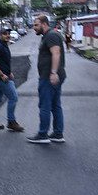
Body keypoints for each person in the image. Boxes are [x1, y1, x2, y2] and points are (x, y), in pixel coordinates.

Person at [27, 14, 66, 144]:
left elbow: (56, 53)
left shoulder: (51, 35)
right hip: (51, 76)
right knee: (55, 105)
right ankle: (58, 133)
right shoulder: (48, 36)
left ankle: (43, 134)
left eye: (36, 25)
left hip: (49, 77)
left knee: (45, 105)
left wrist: (53, 73)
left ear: (44, 24)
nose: (34, 28)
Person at [0, 29, 24, 132]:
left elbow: (3, 62)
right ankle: (11, 122)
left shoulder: (4, 46)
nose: (7, 36)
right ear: (0, 35)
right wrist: (2, 74)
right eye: (4, 34)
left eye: (8, 34)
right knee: (13, 97)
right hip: (0, 78)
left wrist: (9, 72)